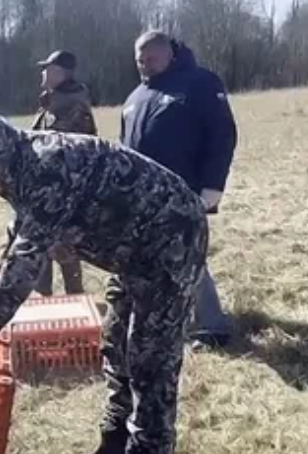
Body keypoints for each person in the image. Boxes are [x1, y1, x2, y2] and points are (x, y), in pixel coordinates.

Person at [0, 111, 207, 454]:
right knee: (116, 345)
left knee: (149, 357)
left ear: (1, 158)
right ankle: (112, 453)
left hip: (169, 238)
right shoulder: (22, 168)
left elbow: (25, 262)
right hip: (133, 251)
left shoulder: (47, 169)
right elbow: (11, 245)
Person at [120, 30, 238, 349]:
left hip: (184, 190)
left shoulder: (199, 83)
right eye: (140, 61)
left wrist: (213, 185)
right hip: (141, 197)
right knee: (152, 260)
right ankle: (171, 319)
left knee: (187, 257)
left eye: (152, 59)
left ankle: (212, 327)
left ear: (169, 54)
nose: (145, 66)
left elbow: (222, 134)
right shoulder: (134, 99)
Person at [27, 49, 99, 296]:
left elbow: (81, 156)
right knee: (40, 257)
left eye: (48, 68)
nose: (43, 72)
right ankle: (44, 309)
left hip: (64, 197)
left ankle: (76, 317)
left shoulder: (74, 108)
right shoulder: (50, 104)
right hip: (43, 196)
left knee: (67, 256)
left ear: (61, 73)